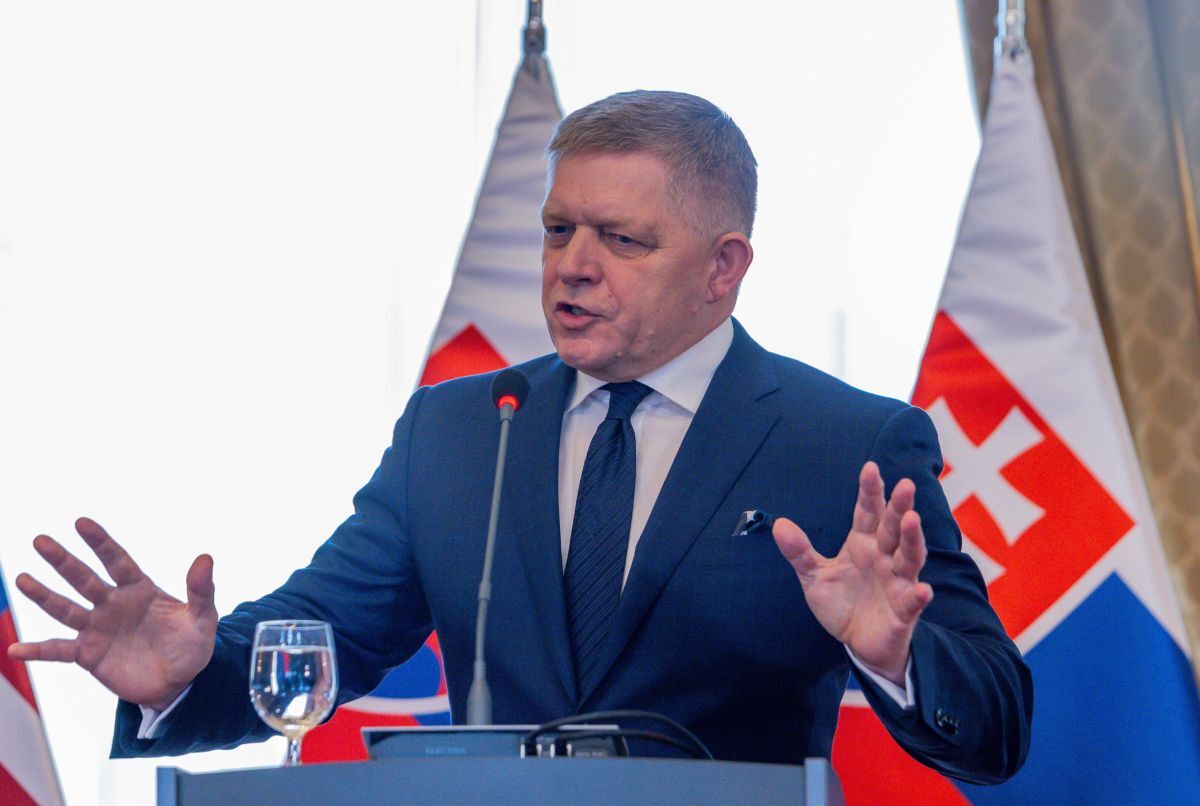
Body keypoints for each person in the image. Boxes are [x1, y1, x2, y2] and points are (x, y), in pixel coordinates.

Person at [9, 90, 1031, 781]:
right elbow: (326, 633)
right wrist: (192, 672)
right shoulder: (460, 430)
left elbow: (995, 727)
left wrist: (898, 655)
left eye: (621, 239)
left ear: (723, 268)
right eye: (557, 230)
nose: (573, 265)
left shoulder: (845, 442)